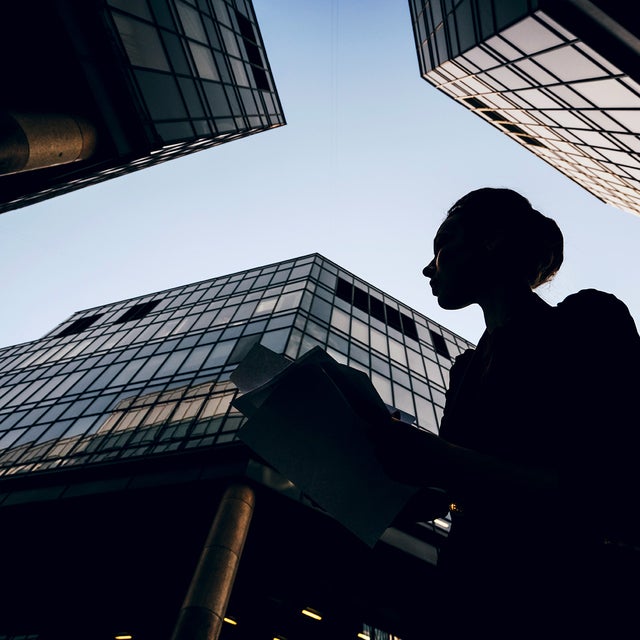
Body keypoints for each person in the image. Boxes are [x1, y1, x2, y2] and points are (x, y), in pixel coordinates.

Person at [369, 187, 640, 637]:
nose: (427, 267)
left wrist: (439, 460)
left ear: (492, 241)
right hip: (465, 596)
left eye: (443, 245)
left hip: (560, 597)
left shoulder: (587, 322)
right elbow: (457, 490)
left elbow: (606, 485)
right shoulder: (464, 370)